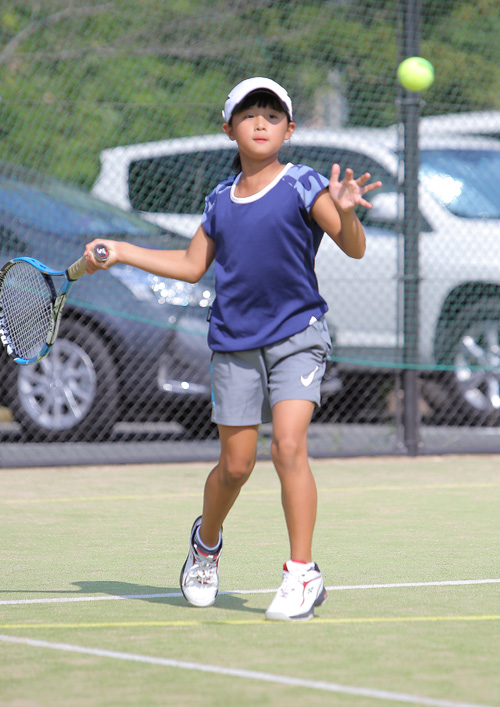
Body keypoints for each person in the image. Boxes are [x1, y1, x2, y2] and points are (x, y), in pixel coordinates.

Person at [84, 76, 381, 621]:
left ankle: (301, 572)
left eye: (272, 114)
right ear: (229, 129)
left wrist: (348, 210)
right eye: (249, 114)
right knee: (235, 466)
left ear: (289, 130)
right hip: (235, 343)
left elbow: (353, 248)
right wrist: (124, 250)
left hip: (298, 336)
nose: (261, 121)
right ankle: (206, 544)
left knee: (288, 447)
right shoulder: (219, 200)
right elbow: (193, 266)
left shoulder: (305, 183)